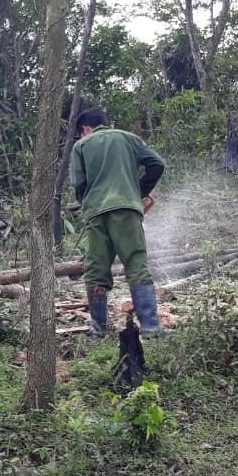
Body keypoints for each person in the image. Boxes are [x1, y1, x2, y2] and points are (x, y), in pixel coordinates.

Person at [70, 108, 167, 336]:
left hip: (96, 213)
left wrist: (87, 202)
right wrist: (138, 191)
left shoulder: (81, 146)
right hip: (127, 209)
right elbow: (157, 164)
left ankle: (99, 329)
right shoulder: (129, 138)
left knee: (96, 269)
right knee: (136, 263)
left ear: (86, 128)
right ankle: (150, 326)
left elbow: (79, 184)